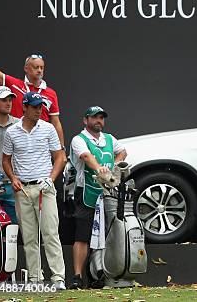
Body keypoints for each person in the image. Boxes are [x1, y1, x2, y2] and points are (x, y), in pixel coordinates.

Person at [2, 92, 67, 289]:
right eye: (35, 106)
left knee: (50, 233)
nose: (39, 110)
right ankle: (34, 278)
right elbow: (6, 159)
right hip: (22, 189)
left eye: (41, 107)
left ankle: (58, 278)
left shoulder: (48, 129)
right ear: (25, 107)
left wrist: (51, 179)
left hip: (44, 188)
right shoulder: (11, 132)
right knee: (29, 237)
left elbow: (60, 157)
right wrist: (13, 178)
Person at [69, 106, 127, 289]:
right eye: (94, 117)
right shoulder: (79, 139)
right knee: (83, 236)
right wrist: (100, 169)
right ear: (85, 120)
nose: (98, 121)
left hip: (107, 195)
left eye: (101, 117)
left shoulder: (109, 139)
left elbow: (123, 151)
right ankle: (77, 276)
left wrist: (113, 165)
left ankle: (99, 275)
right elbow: (86, 156)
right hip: (86, 193)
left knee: (105, 236)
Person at [0, 55, 65, 146]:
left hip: (41, 141)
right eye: (36, 67)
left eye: (42, 68)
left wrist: (62, 148)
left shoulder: (51, 93)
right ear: (26, 68)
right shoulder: (14, 84)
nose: (39, 70)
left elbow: (56, 122)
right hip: (17, 139)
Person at [0, 86, 19, 223]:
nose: (9, 103)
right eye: (4, 100)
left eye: (10, 100)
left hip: (13, 184)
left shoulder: (19, 125)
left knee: (12, 231)